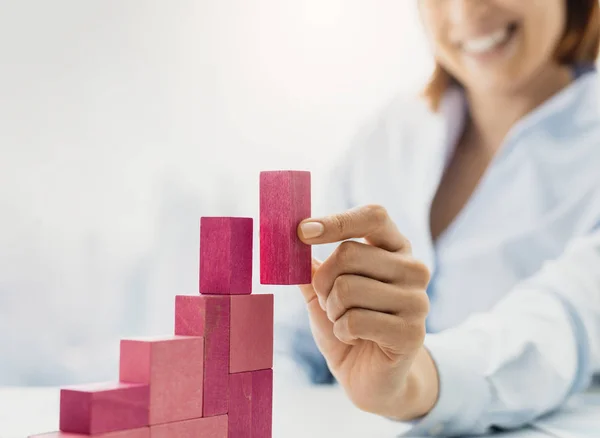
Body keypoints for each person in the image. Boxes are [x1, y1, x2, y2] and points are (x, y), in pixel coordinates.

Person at [280, 0, 600, 436]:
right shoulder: (387, 135)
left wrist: (413, 381)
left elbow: (563, 327)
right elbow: (292, 335)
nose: (466, 12)